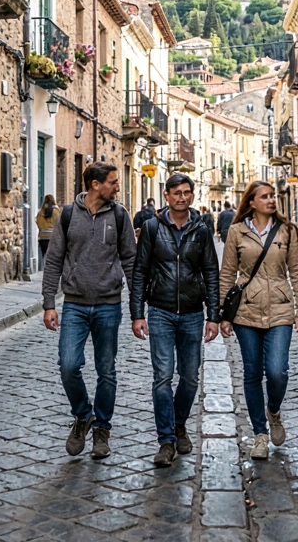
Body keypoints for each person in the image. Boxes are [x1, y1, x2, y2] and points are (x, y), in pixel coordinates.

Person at [42, 162, 136, 460]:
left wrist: (137, 308)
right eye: (112, 182)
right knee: (68, 365)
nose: (117, 187)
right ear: (96, 185)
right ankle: (84, 415)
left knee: (106, 370)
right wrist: (48, 303)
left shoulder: (120, 215)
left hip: (109, 304)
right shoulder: (69, 214)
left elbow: (131, 261)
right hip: (75, 304)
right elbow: (54, 259)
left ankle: (102, 429)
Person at [131, 174, 221, 467]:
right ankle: (166, 440)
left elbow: (211, 272)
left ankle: (179, 422)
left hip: (194, 313)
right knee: (162, 377)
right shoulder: (151, 227)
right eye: (176, 193)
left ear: (192, 196)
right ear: (166, 196)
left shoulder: (202, 229)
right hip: (160, 311)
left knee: (191, 377)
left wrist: (214, 315)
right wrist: (137, 314)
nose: (182, 197)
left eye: (187, 193)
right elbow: (140, 272)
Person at [218, 181, 298, 460]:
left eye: (273, 196)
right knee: (252, 373)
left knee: (278, 371)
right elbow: (227, 274)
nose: (272, 200)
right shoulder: (236, 231)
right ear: (252, 202)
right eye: (265, 196)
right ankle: (260, 434)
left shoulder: (288, 231)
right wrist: (223, 315)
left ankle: (274, 410)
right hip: (246, 311)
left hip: (281, 309)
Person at [35, 194, 57, 259]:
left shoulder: (41, 212)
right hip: (52, 237)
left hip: (42, 237)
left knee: (44, 257)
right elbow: (59, 223)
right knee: (52, 258)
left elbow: (37, 222)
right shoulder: (55, 211)